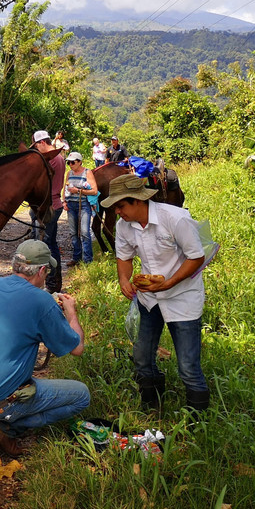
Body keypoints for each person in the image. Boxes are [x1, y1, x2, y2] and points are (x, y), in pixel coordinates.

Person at [0, 240, 88, 456]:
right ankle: (6, 428)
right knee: (81, 395)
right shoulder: (42, 301)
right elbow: (77, 348)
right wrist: (71, 312)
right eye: (47, 271)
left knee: (27, 382)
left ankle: (0, 418)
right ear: (42, 270)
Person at [101, 174, 209, 412]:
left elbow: (197, 257)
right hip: (149, 298)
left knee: (188, 366)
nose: (117, 212)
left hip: (183, 296)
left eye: (121, 205)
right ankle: (151, 406)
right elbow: (124, 257)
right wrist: (123, 279)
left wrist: (170, 283)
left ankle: (198, 420)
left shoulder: (175, 218)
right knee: (141, 357)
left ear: (138, 200)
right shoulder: (123, 226)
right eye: (115, 207)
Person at [32, 129, 65, 292]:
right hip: (54, 203)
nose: (37, 150)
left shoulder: (51, 159)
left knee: (46, 245)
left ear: (42, 143)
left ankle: (52, 283)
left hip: (49, 206)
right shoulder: (59, 157)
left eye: (37, 146)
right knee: (50, 243)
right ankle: (54, 282)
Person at [63, 152, 98, 266]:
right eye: (68, 162)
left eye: (72, 162)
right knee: (73, 233)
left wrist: (78, 191)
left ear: (80, 162)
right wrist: (64, 201)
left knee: (84, 232)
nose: (70, 164)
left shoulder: (87, 172)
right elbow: (66, 188)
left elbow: (94, 191)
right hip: (71, 204)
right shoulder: (69, 173)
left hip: (83, 204)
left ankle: (88, 260)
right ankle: (76, 258)